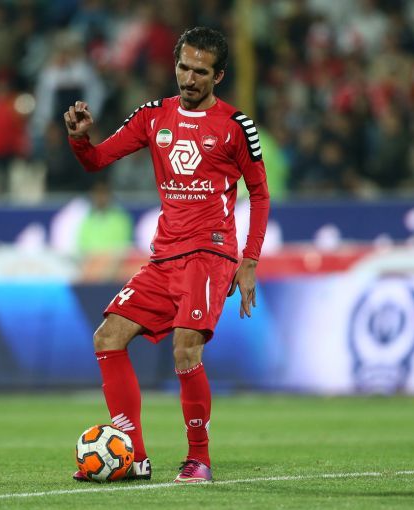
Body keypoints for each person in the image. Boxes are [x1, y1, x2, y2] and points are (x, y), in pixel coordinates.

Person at [64, 26, 270, 484]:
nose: (189, 79)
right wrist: (80, 140)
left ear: (219, 76)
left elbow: (259, 194)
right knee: (107, 337)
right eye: (183, 67)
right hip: (164, 257)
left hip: (210, 253)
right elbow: (96, 161)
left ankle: (199, 458)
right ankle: (133, 457)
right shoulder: (152, 116)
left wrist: (249, 260)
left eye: (201, 72)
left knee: (185, 347)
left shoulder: (236, 126)